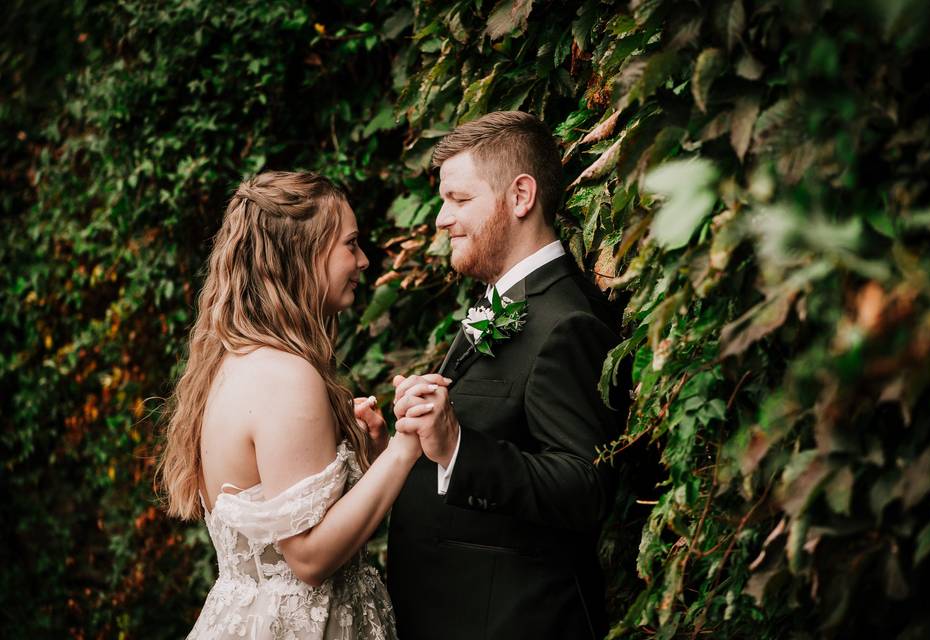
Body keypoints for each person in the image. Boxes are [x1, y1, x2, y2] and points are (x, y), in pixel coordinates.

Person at [386, 111, 626, 640]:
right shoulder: (506, 302)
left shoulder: (569, 323)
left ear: (521, 196)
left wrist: (457, 447)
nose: (442, 220)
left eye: (460, 199)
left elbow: (586, 486)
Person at [157, 172, 421, 639]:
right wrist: (404, 450)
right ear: (303, 255)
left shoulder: (235, 359)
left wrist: (374, 456)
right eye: (350, 244)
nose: (362, 260)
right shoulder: (286, 375)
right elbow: (309, 557)